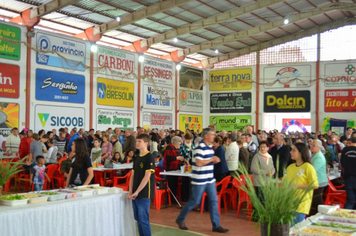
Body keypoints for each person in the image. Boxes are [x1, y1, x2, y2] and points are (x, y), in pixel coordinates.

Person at [176, 128, 229, 233]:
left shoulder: (209, 148)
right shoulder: (199, 148)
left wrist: (213, 161)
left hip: (209, 179)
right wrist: (212, 159)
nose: (214, 136)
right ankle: (180, 218)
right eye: (212, 135)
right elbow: (199, 163)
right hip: (200, 179)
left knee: (214, 200)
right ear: (206, 136)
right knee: (194, 201)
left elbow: (206, 162)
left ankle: (216, 225)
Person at [127, 134, 155, 236]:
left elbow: (147, 176)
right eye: (137, 141)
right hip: (135, 193)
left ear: (146, 143)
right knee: (138, 219)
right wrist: (130, 191)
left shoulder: (149, 157)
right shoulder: (137, 157)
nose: (137, 143)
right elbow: (132, 175)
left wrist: (137, 191)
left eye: (139, 141)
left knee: (143, 220)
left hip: (144, 193)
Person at [286, 143, 318, 225]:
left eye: (294, 150)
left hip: (301, 204)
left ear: (300, 153)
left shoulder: (308, 167)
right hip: (288, 203)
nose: (290, 152)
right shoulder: (290, 167)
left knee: (295, 228)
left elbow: (315, 185)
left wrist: (297, 186)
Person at [309, 139, 328, 215]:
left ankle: (320, 215)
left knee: (317, 201)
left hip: (319, 182)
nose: (311, 146)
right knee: (315, 200)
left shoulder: (319, 157)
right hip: (315, 181)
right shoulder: (313, 155)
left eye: (314, 145)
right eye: (311, 145)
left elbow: (313, 169)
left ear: (319, 147)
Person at [341, 132, 356, 209]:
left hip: (348, 177)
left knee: (350, 200)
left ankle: (345, 219)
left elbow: (342, 163)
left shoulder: (345, 150)